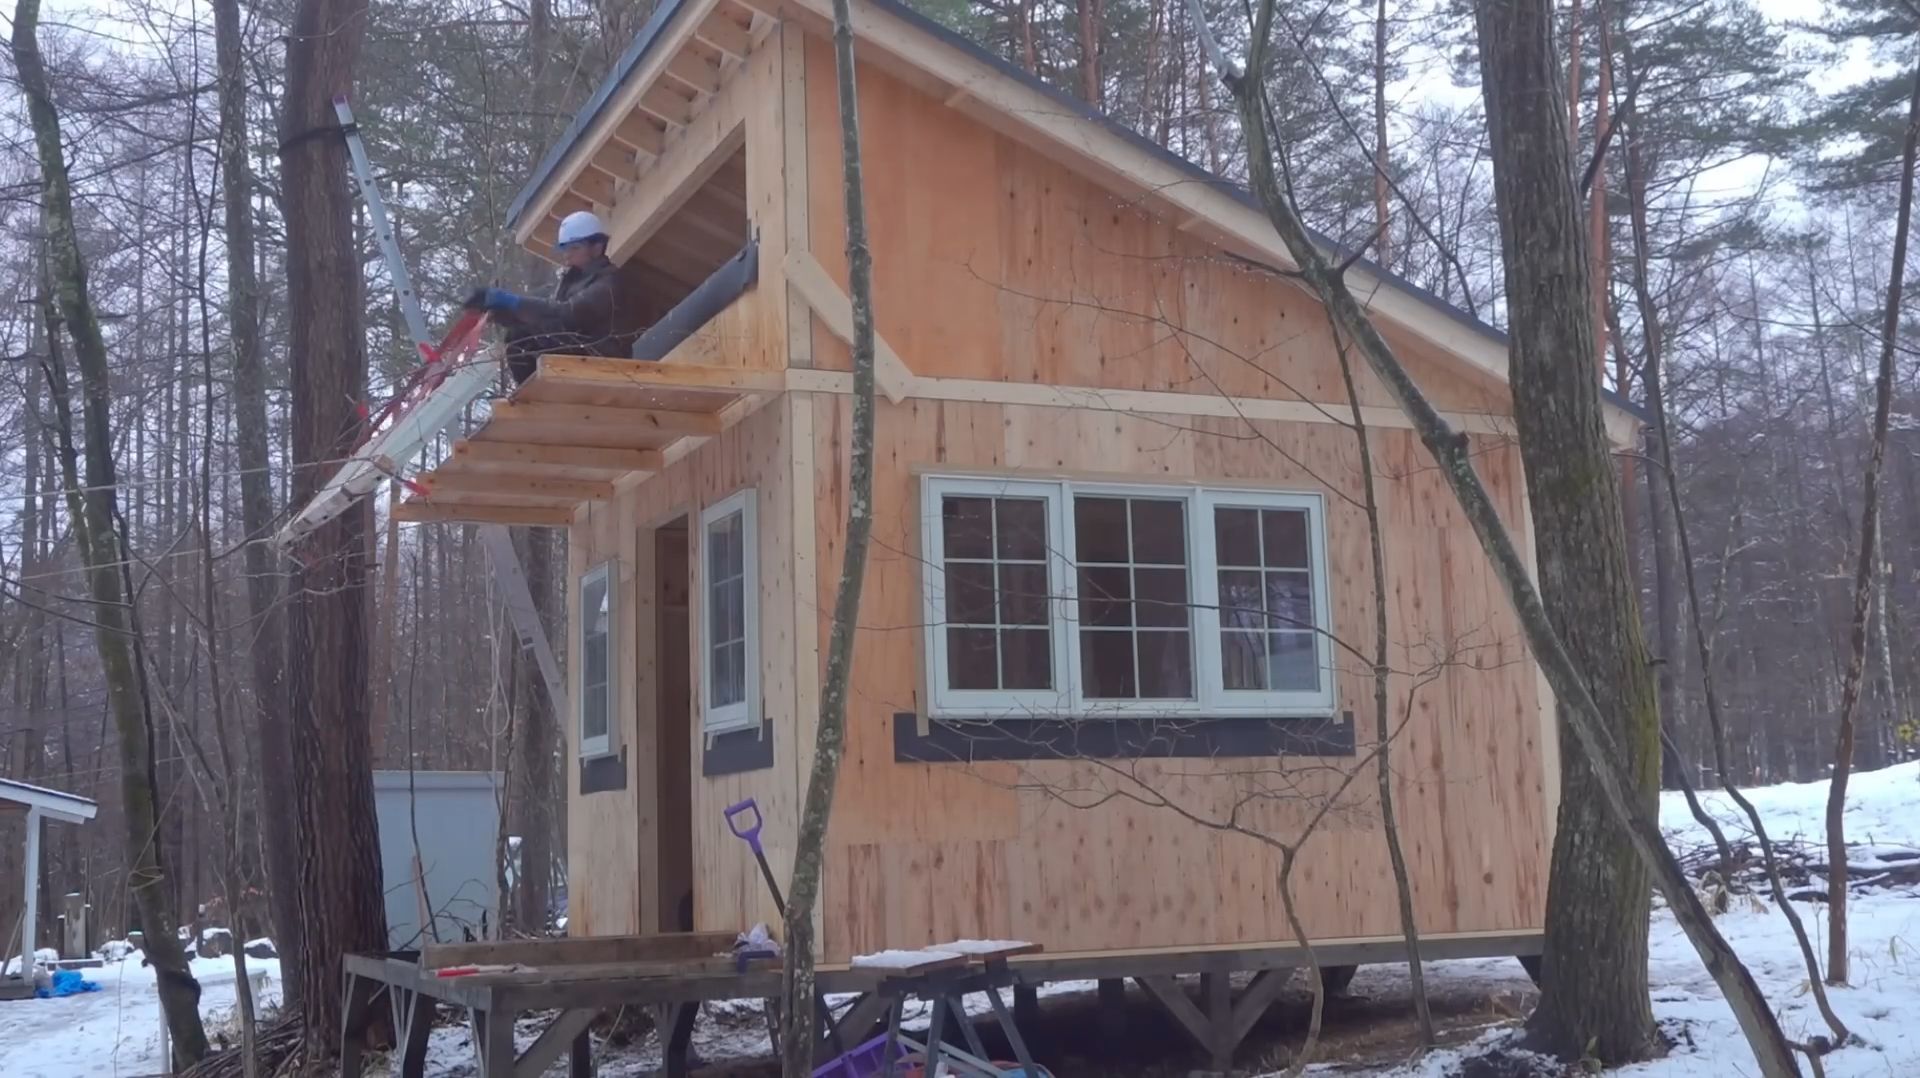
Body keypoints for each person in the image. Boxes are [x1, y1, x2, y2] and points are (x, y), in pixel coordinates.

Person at [466, 209, 621, 385]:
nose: (567, 254)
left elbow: (568, 314)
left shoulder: (609, 282)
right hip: (578, 354)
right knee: (519, 336)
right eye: (564, 248)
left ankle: (534, 392)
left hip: (601, 360)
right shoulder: (571, 282)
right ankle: (528, 391)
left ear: (597, 247)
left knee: (526, 334)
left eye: (574, 248)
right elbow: (548, 322)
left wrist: (513, 302)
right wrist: (504, 313)